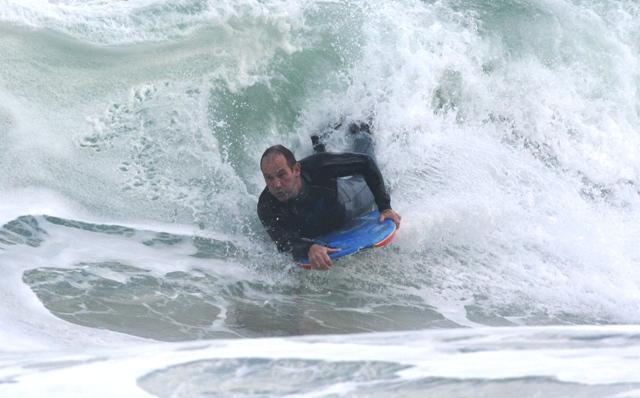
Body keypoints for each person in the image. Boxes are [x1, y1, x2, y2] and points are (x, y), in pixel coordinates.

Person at [257, 122, 401, 270]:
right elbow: (283, 242)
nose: (276, 185)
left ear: (296, 169)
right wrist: (309, 248)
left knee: (364, 168)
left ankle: (362, 130)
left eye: (282, 174)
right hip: (319, 212)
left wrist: (385, 207)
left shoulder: (319, 166)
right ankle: (319, 142)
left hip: (347, 202)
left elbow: (366, 163)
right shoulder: (266, 205)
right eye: (269, 178)